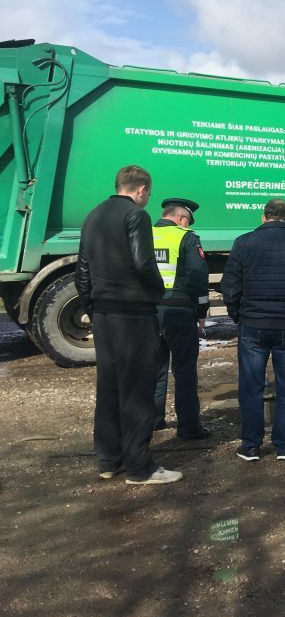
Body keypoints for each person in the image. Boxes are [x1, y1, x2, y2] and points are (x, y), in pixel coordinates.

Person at [75, 165, 183, 485]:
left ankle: (108, 460)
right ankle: (139, 468)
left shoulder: (92, 215)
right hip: (133, 315)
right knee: (137, 389)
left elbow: (82, 270)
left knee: (108, 386)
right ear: (141, 189)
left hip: (103, 315)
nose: (147, 198)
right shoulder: (136, 215)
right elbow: (143, 262)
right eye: (147, 193)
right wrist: (156, 294)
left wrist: (92, 306)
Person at [221, 198, 285, 461]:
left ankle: (250, 446)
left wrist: (238, 316)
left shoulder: (243, 243)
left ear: (263, 217)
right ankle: (284, 445)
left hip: (253, 326)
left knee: (251, 388)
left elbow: (230, 287)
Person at [152, 197, 211, 439]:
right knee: (184, 370)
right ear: (180, 218)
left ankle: (154, 420)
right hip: (178, 311)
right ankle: (188, 427)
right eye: (186, 221)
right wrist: (201, 312)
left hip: (148, 311)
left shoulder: (143, 233)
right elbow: (198, 274)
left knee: (154, 368)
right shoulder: (185, 237)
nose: (186, 225)